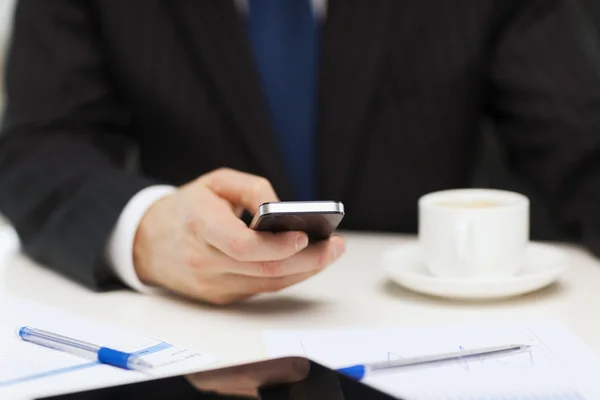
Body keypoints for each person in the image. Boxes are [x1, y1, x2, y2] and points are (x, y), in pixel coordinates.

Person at [0, 0, 599, 305]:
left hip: (424, 334)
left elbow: (583, 143)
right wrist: (142, 229)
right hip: (185, 338)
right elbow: (38, 145)